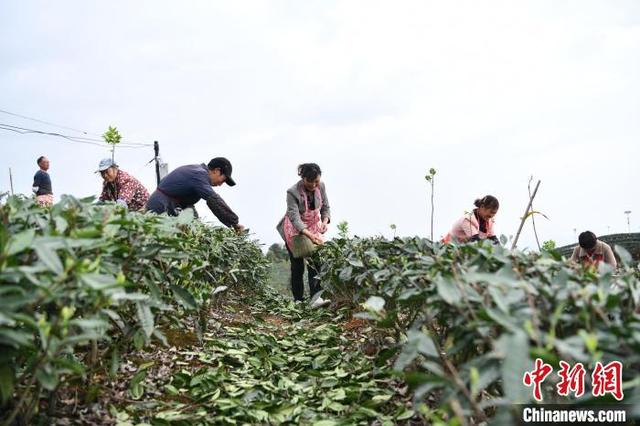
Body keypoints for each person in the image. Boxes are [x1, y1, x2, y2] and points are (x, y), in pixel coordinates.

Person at [276, 163, 331, 306]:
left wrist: (325, 221)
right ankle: (298, 300)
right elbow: (294, 217)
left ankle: (315, 298)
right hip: (296, 229)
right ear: (303, 178)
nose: (313, 185)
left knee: (316, 262)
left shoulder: (321, 186)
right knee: (297, 265)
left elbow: (325, 207)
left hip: (314, 227)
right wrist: (308, 235)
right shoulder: (292, 192)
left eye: (316, 181)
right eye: (310, 181)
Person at [146, 157, 244, 232]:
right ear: (217, 171)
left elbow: (189, 208)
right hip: (159, 210)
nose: (220, 184)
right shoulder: (199, 175)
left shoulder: (197, 173)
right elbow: (214, 200)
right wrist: (234, 223)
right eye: (223, 180)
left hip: (168, 208)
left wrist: (199, 227)